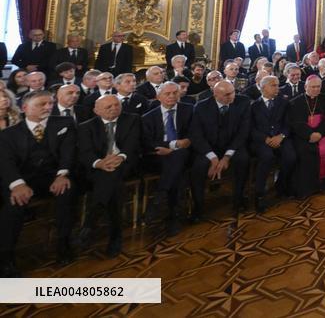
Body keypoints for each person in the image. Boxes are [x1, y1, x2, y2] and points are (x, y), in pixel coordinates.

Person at [0, 91, 76, 274]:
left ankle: (63, 243)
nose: (48, 107)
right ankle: (6, 256)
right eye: (42, 104)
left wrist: (62, 174)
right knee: (13, 203)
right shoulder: (9, 134)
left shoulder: (64, 124)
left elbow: (69, 153)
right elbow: (6, 162)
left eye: (50, 103)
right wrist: (17, 184)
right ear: (25, 108)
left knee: (67, 193)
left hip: (53, 175)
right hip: (22, 178)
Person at [77, 93, 141, 257]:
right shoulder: (86, 126)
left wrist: (119, 157)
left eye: (117, 105)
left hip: (125, 163)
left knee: (111, 177)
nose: (114, 109)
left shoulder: (132, 119)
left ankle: (90, 223)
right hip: (98, 168)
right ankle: (115, 236)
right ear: (96, 110)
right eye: (108, 107)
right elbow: (85, 153)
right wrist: (100, 163)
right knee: (112, 184)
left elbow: (133, 145)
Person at [190, 80, 251, 220]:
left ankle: (238, 200)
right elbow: (196, 135)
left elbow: (243, 132)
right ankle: (198, 207)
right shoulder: (201, 107)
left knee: (243, 159)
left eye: (233, 92)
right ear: (215, 94)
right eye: (227, 94)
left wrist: (227, 157)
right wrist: (213, 157)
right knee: (198, 167)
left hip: (233, 146)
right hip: (209, 148)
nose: (231, 96)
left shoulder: (243, 102)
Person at [141, 82, 193, 236]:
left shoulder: (189, 110)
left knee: (178, 156)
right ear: (158, 97)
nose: (171, 96)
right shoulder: (148, 117)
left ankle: (159, 198)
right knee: (177, 166)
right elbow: (148, 142)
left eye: (174, 93)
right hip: (158, 157)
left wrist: (186, 142)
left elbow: (195, 133)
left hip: (185, 155)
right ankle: (173, 216)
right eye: (167, 94)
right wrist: (172, 144)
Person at [250, 75, 295, 211]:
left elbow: (289, 123)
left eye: (277, 85)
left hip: (280, 137)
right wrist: (265, 139)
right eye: (273, 85)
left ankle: (281, 185)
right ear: (263, 87)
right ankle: (260, 194)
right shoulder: (254, 105)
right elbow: (251, 128)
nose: (277, 88)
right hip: (262, 141)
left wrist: (281, 136)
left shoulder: (284, 102)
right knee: (267, 157)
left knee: (291, 156)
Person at [288, 74, 325, 197]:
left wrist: (319, 133)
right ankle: (306, 188)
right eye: (313, 87)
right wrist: (310, 134)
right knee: (305, 151)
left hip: (322, 134)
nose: (316, 89)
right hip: (303, 136)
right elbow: (296, 123)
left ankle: (324, 185)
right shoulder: (295, 102)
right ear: (305, 86)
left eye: (318, 87)